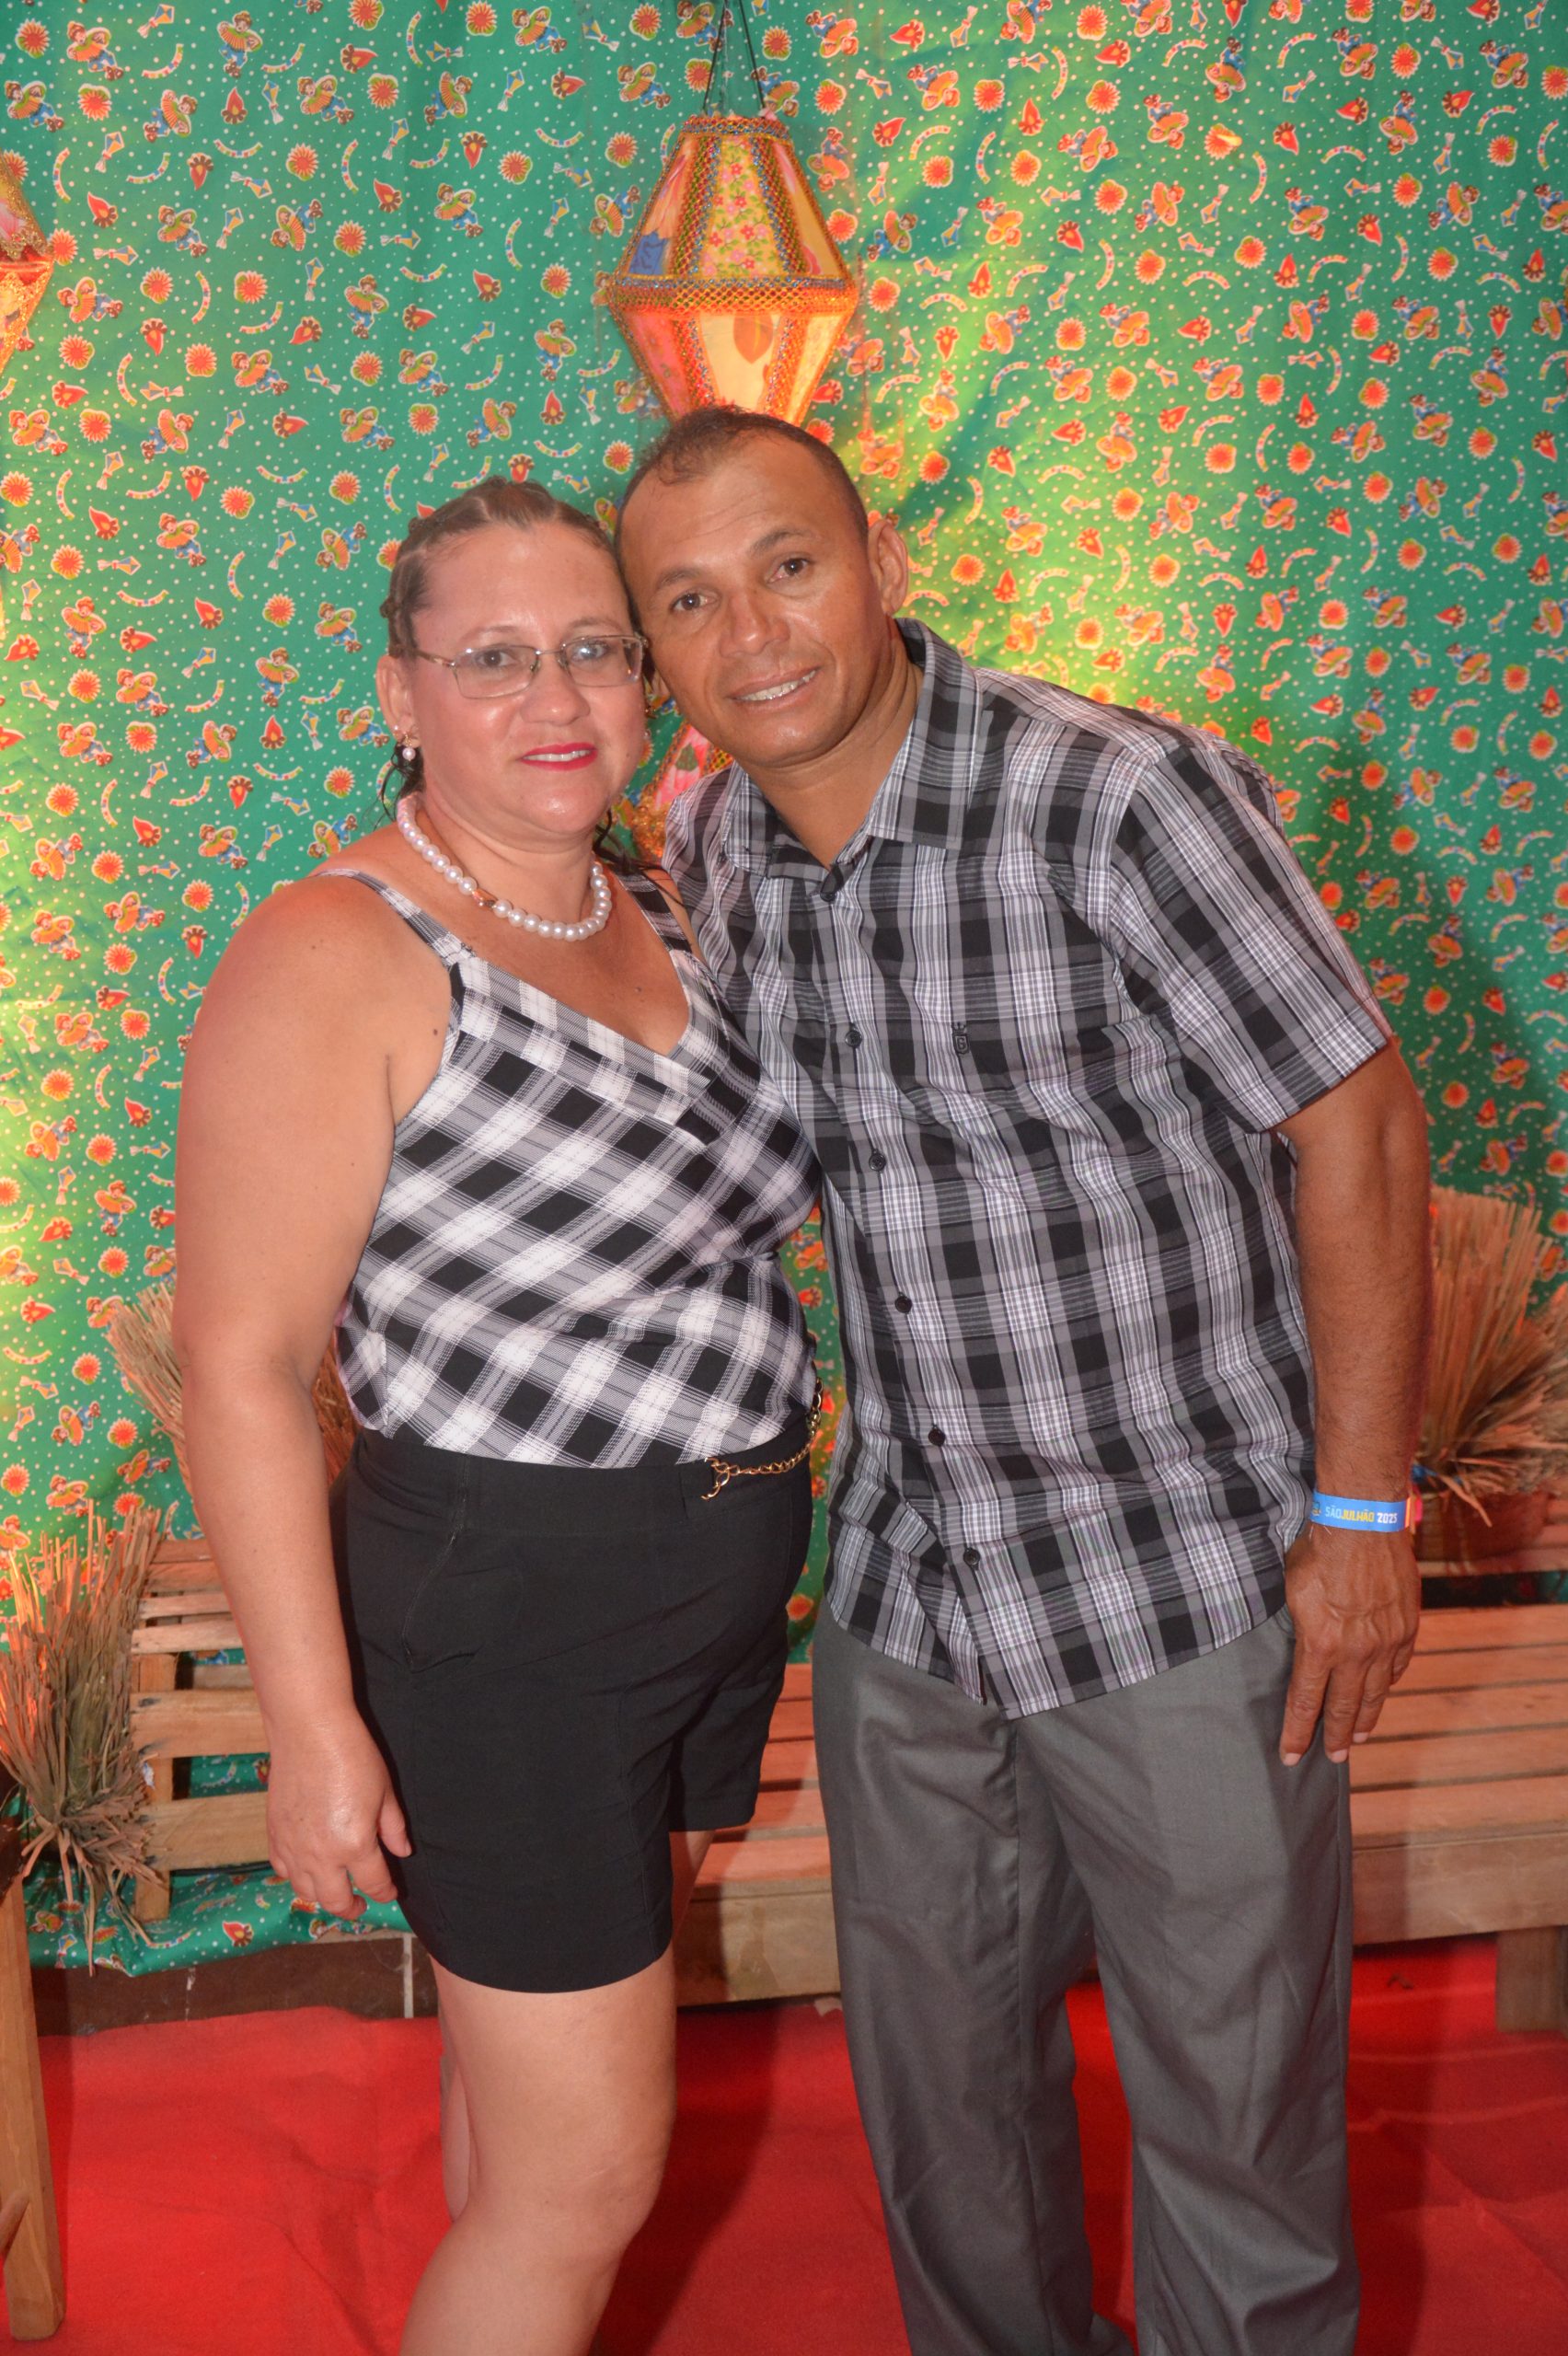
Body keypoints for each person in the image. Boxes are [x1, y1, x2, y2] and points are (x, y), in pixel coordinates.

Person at [617, 408, 1431, 2356]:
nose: (754, 632)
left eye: (788, 565)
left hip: (1185, 1585)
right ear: (654, 654)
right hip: (908, 1593)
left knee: (1237, 2129)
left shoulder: (1118, 798)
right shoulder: (714, 844)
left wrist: (1359, 1514)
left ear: (881, 563)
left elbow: (1357, 1122)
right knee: (944, 2129)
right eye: (690, 602)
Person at [173, 477, 820, 2356]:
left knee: (521, 2117)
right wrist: (312, 1725)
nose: (556, 697)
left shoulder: (659, 895)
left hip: (702, 1594)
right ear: (402, 691)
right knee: (582, 2183)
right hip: (510, 1619)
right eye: (492, 658)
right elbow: (239, 1363)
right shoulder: (341, 946)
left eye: (595, 649)